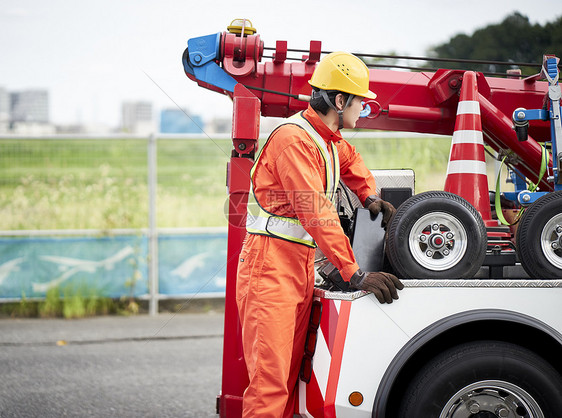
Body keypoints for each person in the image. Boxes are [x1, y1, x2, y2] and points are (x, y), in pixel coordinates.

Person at [236, 51, 404, 417]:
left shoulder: (326, 139)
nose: (364, 109)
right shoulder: (295, 141)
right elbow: (318, 214)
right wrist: (355, 273)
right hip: (270, 270)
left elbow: (351, 160)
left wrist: (370, 195)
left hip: (295, 268)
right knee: (269, 386)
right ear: (340, 100)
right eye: (361, 101)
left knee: (288, 382)